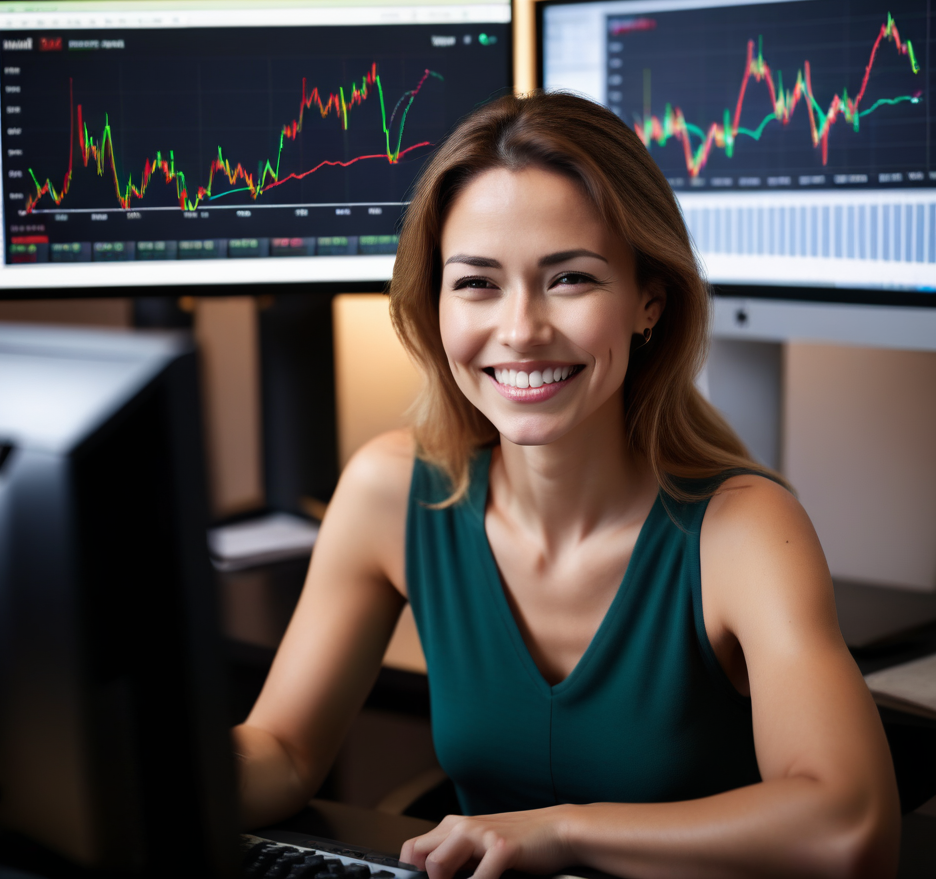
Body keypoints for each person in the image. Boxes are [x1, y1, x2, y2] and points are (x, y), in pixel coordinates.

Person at [233, 93, 900, 878]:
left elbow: (849, 827)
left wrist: (564, 833)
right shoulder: (392, 488)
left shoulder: (745, 528)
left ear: (648, 300)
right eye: (478, 283)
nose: (520, 330)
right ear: (435, 302)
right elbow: (281, 750)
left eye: (571, 279)